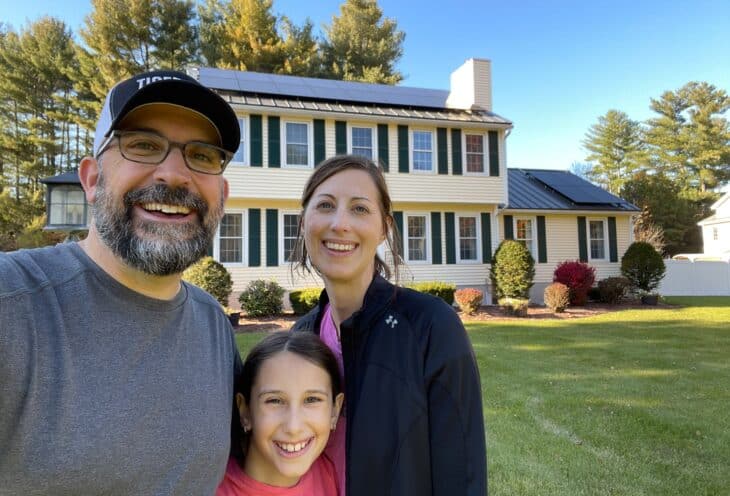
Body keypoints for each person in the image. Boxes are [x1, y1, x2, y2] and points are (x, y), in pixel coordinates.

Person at [0, 70, 243, 495]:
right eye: (144, 145)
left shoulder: (213, 325)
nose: (173, 175)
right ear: (92, 179)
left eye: (202, 155)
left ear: (221, 194)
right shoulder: (13, 305)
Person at [290, 155, 487, 496]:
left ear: (384, 227)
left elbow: (463, 474)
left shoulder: (430, 327)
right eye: (324, 205)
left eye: (360, 209)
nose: (340, 223)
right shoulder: (299, 341)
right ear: (303, 221)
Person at [217, 331, 344, 496]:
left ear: (335, 410)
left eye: (312, 399)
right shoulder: (209, 489)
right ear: (245, 410)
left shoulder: (335, 475)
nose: (293, 427)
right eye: (274, 401)